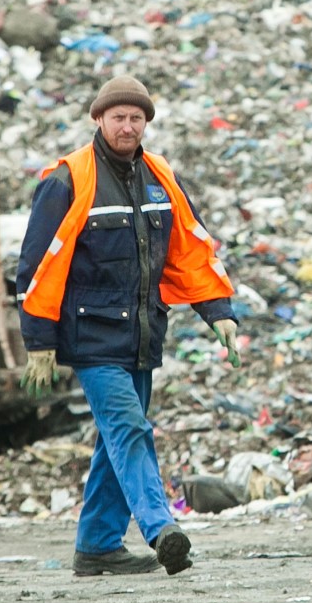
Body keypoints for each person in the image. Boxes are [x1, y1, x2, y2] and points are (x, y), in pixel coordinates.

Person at [16, 74, 239, 577]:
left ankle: (96, 545)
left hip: (141, 334)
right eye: (118, 117)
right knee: (130, 429)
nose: (127, 126)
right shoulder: (68, 179)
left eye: (136, 118)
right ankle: (163, 529)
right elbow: (36, 267)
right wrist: (38, 341)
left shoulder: (160, 177)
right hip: (89, 336)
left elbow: (187, 251)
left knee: (116, 439)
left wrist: (219, 313)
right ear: (99, 120)